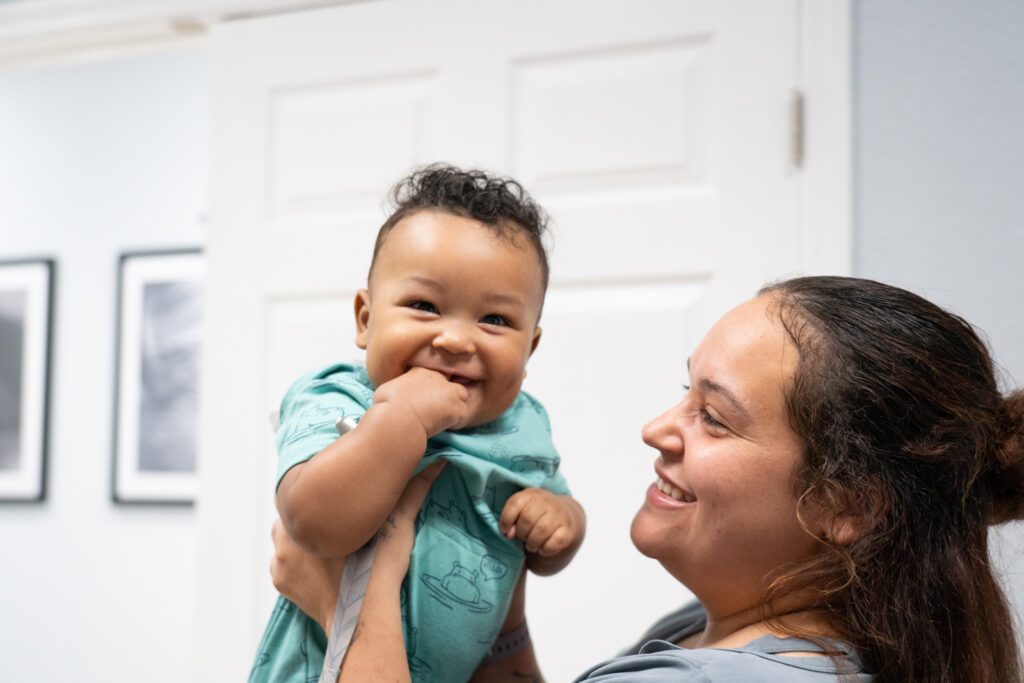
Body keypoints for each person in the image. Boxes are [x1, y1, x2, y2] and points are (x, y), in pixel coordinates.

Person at [270, 275, 1024, 682]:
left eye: (715, 417)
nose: (659, 427)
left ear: (845, 502)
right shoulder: (723, 638)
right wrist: (502, 595)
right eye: (684, 390)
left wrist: (349, 598)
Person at [249, 165, 586, 683]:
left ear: (530, 347)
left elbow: (550, 536)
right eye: (424, 306)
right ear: (366, 320)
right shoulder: (338, 397)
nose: (454, 340)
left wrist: (561, 522)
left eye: (494, 320)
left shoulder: (523, 424)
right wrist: (400, 418)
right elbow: (311, 523)